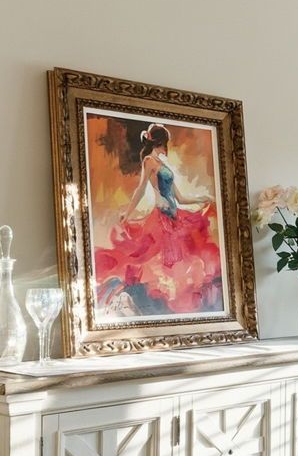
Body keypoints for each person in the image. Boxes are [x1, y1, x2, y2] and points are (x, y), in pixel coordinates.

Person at [93, 121, 224, 317]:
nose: (166, 147)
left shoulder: (163, 165)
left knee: (182, 257)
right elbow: (140, 189)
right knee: (158, 259)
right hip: (162, 219)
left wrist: (203, 198)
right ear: (159, 143)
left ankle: (173, 305)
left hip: (175, 218)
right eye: (165, 143)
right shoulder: (149, 161)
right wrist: (127, 213)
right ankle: (143, 301)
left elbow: (180, 198)